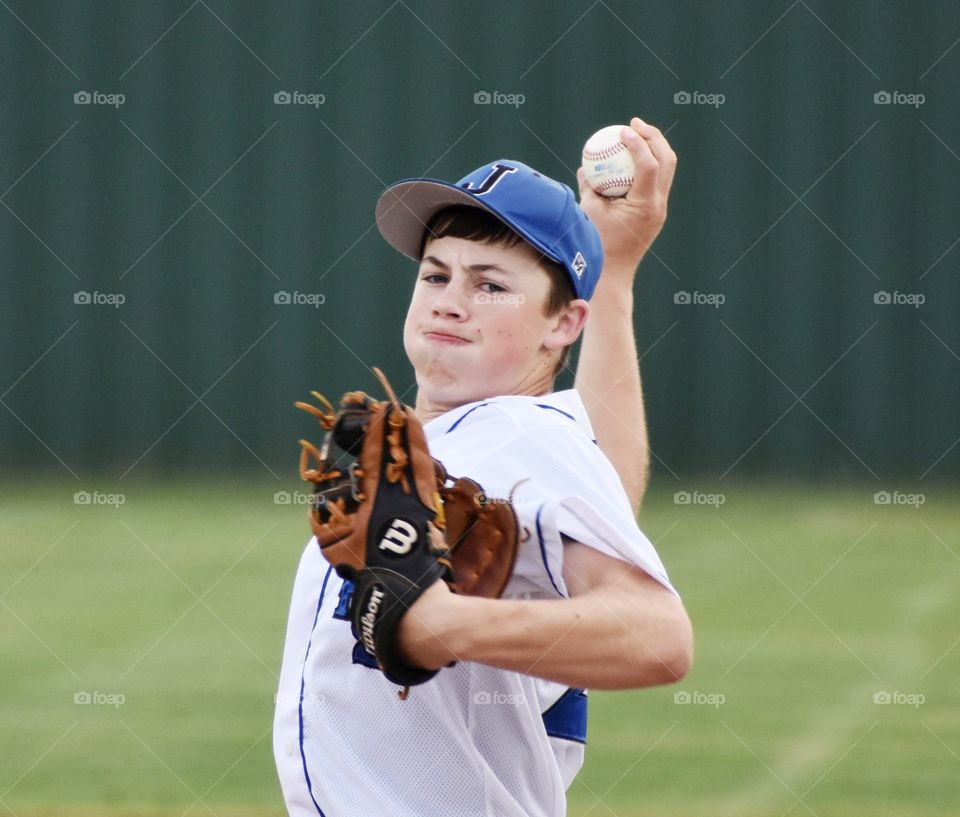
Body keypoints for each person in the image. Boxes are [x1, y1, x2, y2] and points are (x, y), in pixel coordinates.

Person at [274, 119, 690, 817]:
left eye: (489, 284)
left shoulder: (516, 440)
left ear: (562, 324)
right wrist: (612, 270)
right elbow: (608, 489)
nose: (449, 297)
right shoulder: (507, 442)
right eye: (436, 272)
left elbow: (660, 635)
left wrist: (445, 623)